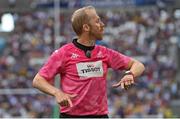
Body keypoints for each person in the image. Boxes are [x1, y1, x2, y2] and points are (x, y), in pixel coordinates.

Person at [32, 6, 145, 118]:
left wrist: (130, 74)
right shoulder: (64, 53)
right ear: (86, 27)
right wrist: (57, 93)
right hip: (71, 116)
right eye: (97, 21)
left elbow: (138, 65)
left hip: (100, 116)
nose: (102, 24)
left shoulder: (105, 53)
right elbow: (38, 80)